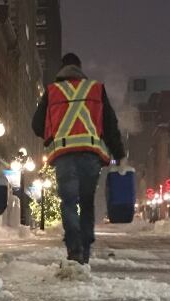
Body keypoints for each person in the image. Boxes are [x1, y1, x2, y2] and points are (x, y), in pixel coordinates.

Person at [32, 53, 128, 264]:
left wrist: (53, 134)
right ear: (80, 68)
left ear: (61, 69)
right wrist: (119, 153)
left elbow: (37, 125)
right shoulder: (95, 89)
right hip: (90, 156)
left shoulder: (52, 91)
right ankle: (85, 247)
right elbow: (110, 124)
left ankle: (73, 245)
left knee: (68, 202)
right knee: (86, 202)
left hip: (64, 156)